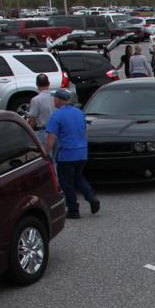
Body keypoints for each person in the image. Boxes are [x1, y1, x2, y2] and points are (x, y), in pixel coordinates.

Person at [44, 88, 100, 218]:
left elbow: (51, 138)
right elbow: (85, 132)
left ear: (58, 99)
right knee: (78, 177)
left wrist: (47, 154)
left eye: (54, 98)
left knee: (66, 183)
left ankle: (73, 210)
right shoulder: (79, 113)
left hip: (67, 154)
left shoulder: (56, 116)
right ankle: (91, 197)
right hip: (82, 152)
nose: (54, 100)